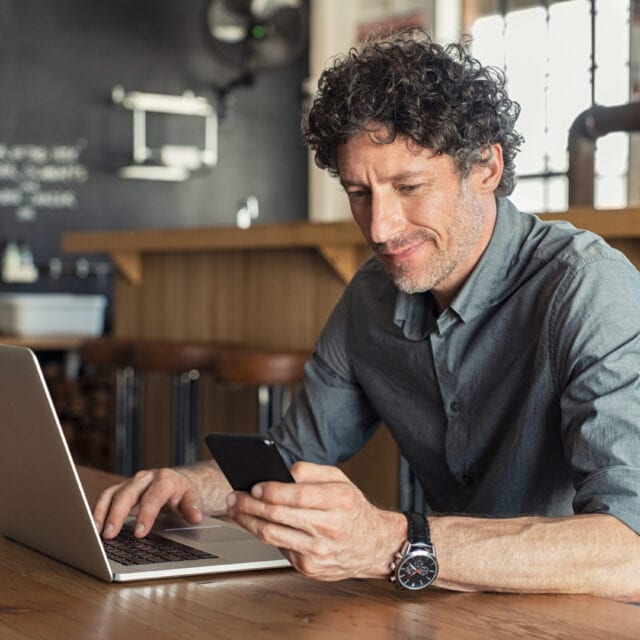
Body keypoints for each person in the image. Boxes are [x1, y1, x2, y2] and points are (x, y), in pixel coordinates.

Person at [94, 29, 640, 602]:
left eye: (409, 186)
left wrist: (389, 543)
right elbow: (293, 453)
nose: (379, 228)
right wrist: (189, 484)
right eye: (359, 193)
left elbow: (630, 548)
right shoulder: (372, 297)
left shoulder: (588, 289)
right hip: (457, 606)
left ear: (486, 167)